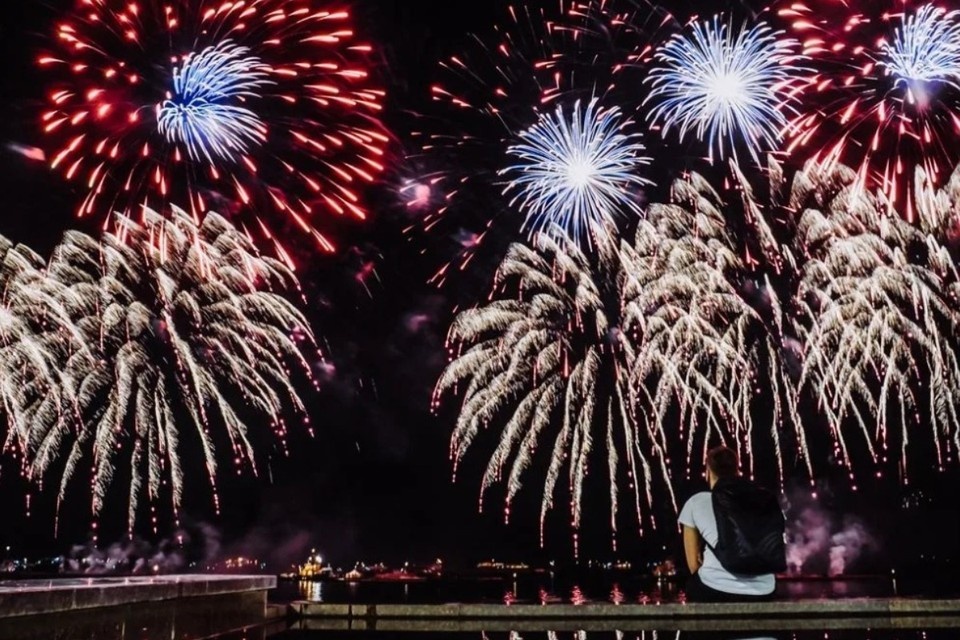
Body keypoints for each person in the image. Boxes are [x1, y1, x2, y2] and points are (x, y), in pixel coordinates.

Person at [679, 446, 779, 603]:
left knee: (693, 583)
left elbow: (693, 566)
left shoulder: (696, 501)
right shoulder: (762, 500)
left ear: (708, 471)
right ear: (737, 471)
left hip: (714, 590)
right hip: (765, 590)